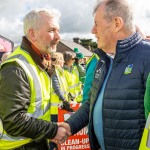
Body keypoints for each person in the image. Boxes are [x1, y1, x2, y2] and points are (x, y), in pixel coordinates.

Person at [63, 0, 150, 150]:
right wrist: (68, 126)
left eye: (97, 24)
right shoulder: (103, 60)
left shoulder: (147, 57)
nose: (92, 30)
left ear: (116, 23)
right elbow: (91, 102)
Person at [0, 8, 71, 150]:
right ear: (32, 34)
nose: (58, 37)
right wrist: (53, 130)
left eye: (58, 30)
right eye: (52, 30)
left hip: (36, 142)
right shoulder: (16, 68)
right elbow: (13, 121)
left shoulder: (40, 62)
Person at [50, 52, 73, 150]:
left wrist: (69, 95)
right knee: (55, 133)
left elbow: (63, 87)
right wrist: (64, 99)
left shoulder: (60, 72)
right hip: (55, 109)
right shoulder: (54, 72)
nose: (64, 61)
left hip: (59, 107)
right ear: (59, 61)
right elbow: (56, 88)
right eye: (62, 59)